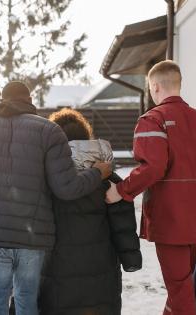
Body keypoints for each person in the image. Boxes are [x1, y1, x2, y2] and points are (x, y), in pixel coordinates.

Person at [0, 81, 113, 315]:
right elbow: (66, 188)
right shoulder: (49, 131)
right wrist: (98, 172)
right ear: (29, 100)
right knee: (27, 302)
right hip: (31, 235)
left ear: (1, 99)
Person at [105, 60, 196, 315]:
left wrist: (121, 191)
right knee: (182, 287)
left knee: (180, 289)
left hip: (170, 220)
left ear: (155, 86)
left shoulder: (153, 120)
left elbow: (153, 167)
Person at [39, 108, 142, 315]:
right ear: (87, 137)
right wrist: (131, 259)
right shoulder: (109, 178)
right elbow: (123, 224)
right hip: (101, 275)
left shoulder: (46, 178)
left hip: (58, 274)